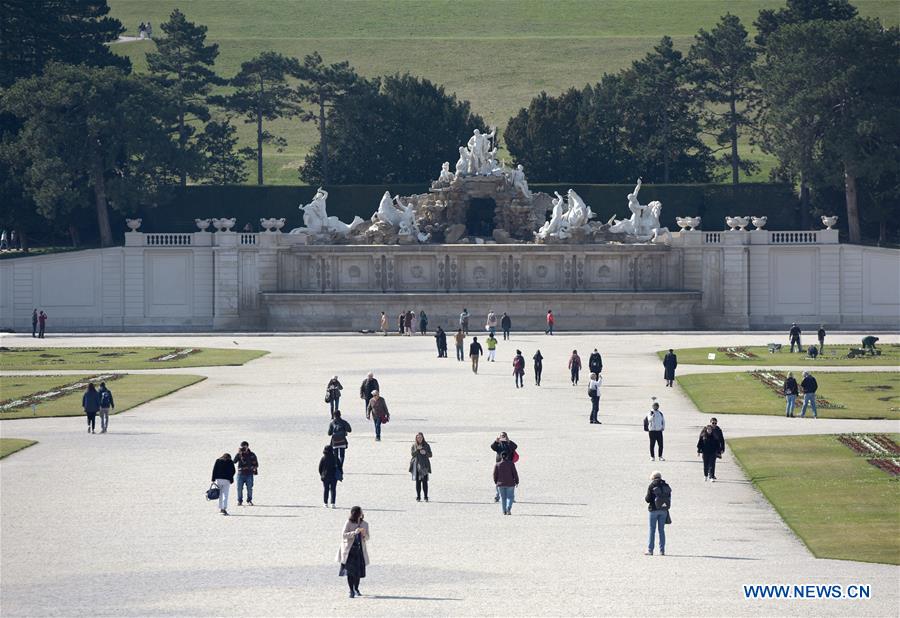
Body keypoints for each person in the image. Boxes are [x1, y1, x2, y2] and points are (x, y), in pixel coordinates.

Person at [338, 506, 369, 598]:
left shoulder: (365, 524)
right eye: (360, 512)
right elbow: (343, 535)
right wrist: (354, 533)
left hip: (360, 551)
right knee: (350, 572)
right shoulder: (348, 523)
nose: (362, 514)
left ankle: (356, 588)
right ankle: (351, 590)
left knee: (358, 572)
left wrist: (363, 534)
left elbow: (367, 537)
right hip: (349, 550)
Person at [644, 471, 671, 556]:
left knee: (652, 530)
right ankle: (662, 550)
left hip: (653, 510)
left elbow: (647, 499)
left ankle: (650, 550)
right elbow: (669, 498)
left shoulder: (652, 485)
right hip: (663, 510)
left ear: (653, 477)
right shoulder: (666, 485)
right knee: (661, 530)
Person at [490, 432, 517, 502]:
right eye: (501, 436)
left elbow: (515, 446)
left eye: (504, 436)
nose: (502, 437)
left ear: (506, 436)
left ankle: (511, 497)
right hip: (499, 464)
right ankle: (497, 496)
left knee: (511, 481)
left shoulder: (509, 444)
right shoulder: (498, 444)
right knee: (499, 481)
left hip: (509, 464)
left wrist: (509, 441)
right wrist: (496, 441)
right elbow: (492, 447)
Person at [233, 441, 259, 506]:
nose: (243, 448)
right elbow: (234, 461)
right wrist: (238, 454)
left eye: (244, 447)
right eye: (242, 447)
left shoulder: (252, 454)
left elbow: (256, 464)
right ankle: (239, 501)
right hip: (240, 474)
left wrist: (251, 468)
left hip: (249, 474)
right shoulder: (239, 454)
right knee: (239, 488)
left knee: (250, 488)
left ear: (247, 447)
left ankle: (249, 500)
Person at [493, 451, 519, 515]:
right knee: (510, 497)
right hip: (510, 483)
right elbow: (515, 473)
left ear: (500, 457)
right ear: (507, 456)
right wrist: (517, 481)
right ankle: (508, 509)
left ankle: (504, 511)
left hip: (500, 484)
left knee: (503, 498)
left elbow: (494, 474)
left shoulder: (497, 464)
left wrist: (496, 482)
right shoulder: (511, 464)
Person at [409, 432, 432, 502]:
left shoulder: (426, 445)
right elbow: (412, 454)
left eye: (421, 437)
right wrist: (417, 450)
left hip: (424, 465)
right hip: (416, 465)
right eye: (418, 437)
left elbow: (430, 455)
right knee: (418, 482)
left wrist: (425, 452)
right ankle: (418, 496)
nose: (419, 439)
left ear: (423, 438)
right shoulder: (414, 445)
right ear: (416, 438)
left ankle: (426, 496)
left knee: (424, 481)